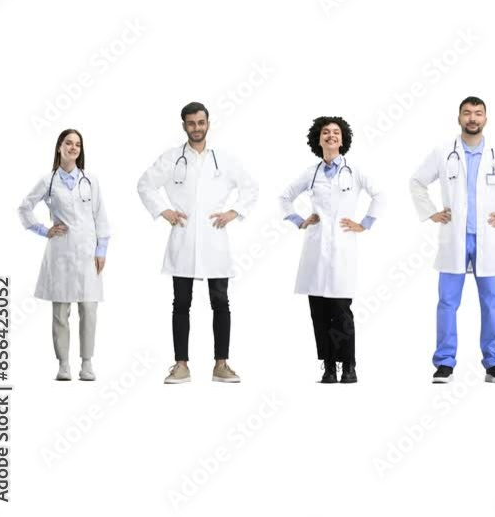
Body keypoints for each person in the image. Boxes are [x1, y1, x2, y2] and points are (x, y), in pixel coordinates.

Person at [410, 96, 495, 384]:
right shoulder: (443, 152)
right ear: (459, 118)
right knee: (447, 302)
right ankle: (444, 363)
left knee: (491, 302)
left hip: (486, 239)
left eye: (478, 114)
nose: (472, 118)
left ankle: (494, 363)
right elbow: (416, 182)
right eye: (467, 113)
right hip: (455, 237)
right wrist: (431, 212)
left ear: (485, 119)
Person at [137, 102, 259, 384]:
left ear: (208, 123)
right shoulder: (171, 158)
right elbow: (144, 184)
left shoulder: (223, 159)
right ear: (183, 125)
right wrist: (163, 210)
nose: (196, 128)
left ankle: (221, 364)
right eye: (191, 123)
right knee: (181, 303)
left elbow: (250, 187)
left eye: (200, 122)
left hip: (214, 240)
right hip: (184, 238)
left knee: (221, 303)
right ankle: (181, 365)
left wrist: (234, 212)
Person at [280, 116, 384, 384]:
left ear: (343, 138)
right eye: (325, 132)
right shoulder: (310, 173)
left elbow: (380, 195)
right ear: (318, 139)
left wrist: (365, 223)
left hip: (342, 247)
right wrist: (299, 220)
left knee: (341, 310)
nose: (330, 136)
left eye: (335, 132)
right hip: (315, 248)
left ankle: (348, 365)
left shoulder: (354, 170)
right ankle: (328, 367)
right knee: (318, 311)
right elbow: (284, 197)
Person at [18, 129, 111, 381]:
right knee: (60, 312)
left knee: (89, 309)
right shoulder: (48, 181)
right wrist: (43, 230)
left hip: (88, 253)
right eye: (68, 143)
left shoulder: (90, 180)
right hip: (60, 252)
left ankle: (87, 363)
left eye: (77, 144)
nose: (73, 147)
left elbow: (100, 217)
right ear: (59, 147)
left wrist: (101, 250)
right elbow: (24, 208)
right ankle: (63, 364)